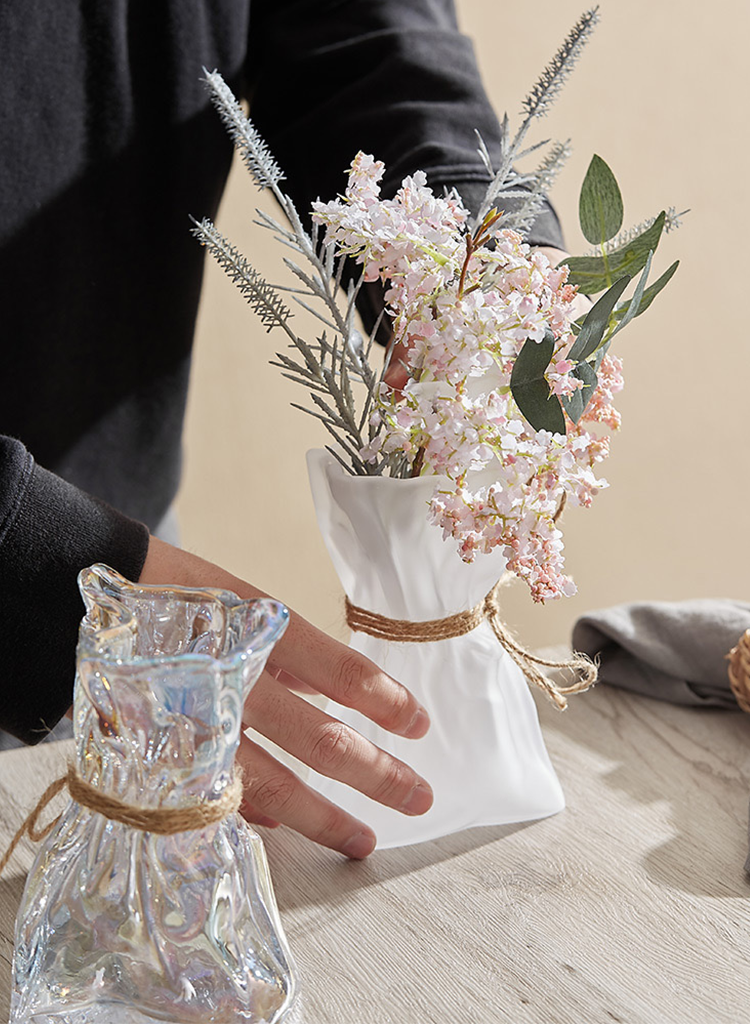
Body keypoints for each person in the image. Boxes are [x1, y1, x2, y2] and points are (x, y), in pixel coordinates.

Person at [0, 0, 567, 858]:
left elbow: (363, 44)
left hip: (128, 576)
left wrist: (478, 270)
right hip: (75, 581)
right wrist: (37, 567)